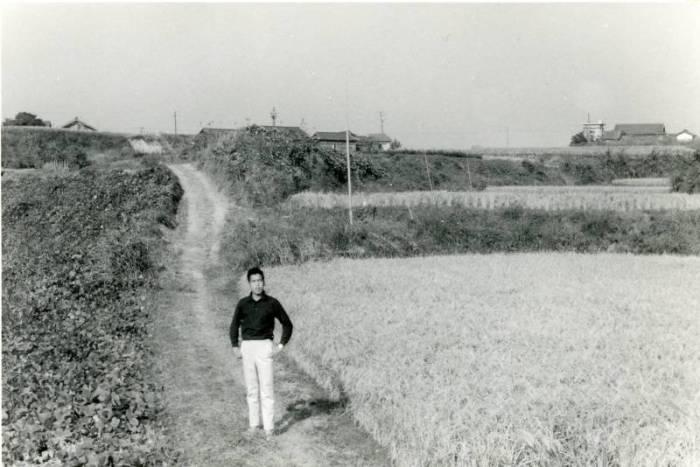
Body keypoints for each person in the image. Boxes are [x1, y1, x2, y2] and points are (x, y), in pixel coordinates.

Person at [230, 267, 293, 439]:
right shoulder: (243, 304)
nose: (257, 284)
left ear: (263, 282)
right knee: (251, 389)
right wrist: (235, 346)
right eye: (254, 281)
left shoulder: (272, 303)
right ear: (249, 284)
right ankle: (253, 425)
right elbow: (234, 325)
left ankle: (269, 429)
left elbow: (287, 324)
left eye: (260, 281)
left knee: (266, 388)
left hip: (265, 346)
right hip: (248, 347)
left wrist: (279, 347)